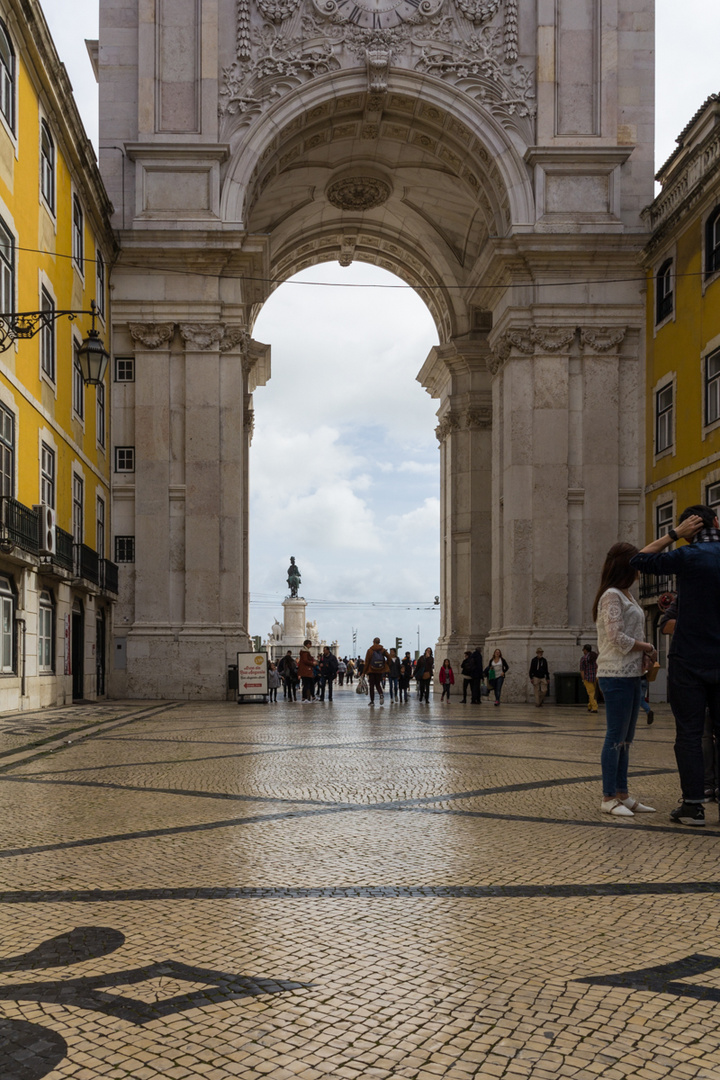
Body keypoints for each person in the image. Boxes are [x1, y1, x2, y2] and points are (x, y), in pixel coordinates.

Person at [631, 508, 720, 824]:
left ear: (689, 529)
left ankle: (693, 805)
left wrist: (673, 534)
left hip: (689, 661)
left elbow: (639, 560)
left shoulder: (689, 555)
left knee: (690, 734)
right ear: (717, 523)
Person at [594, 542, 657, 817]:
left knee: (626, 739)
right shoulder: (611, 596)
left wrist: (643, 655)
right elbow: (616, 639)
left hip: (632, 674)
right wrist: (646, 647)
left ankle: (623, 794)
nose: (641, 569)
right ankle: (608, 797)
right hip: (614, 674)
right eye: (637, 563)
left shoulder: (627, 594)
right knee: (615, 738)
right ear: (626, 565)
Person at [362, 637, 390, 706]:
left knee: (371, 686)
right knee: (378, 684)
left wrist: (364, 672)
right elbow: (389, 657)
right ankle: (381, 694)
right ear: (379, 642)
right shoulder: (382, 650)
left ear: (373, 642)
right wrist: (385, 665)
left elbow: (367, 662)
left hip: (371, 670)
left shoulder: (370, 650)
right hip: (379, 670)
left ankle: (372, 701)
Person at [579, 644, 599, 714]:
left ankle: (594, 707)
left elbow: (582, 670)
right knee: (592, 692)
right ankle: (590, 706)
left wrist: (583, 678)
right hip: (595, 677)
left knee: (591, 693)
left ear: (585, 650)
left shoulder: (583, 659)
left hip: (587, 677)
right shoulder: (595, 657)